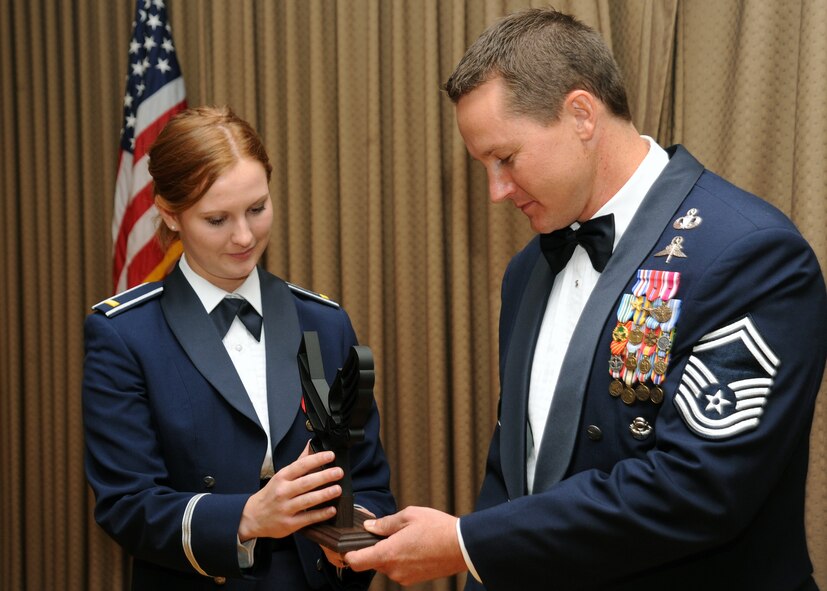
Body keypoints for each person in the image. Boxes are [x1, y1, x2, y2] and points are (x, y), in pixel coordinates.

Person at [346, 8, 827, 590]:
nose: (496, 192)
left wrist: (465, 544)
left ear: (580, 114)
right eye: (484, 167)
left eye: (506, 158)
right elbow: (513, 468)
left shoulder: (750, 255)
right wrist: (479, 564)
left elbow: (698, 490)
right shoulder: (528, 269)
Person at [83, 105, 395, 590]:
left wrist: (349, 539)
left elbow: (370, 479)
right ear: (170, 215)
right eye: (216, 219)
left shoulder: (324, 322)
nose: (245, 237)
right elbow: (127, 504)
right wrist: (247, 517)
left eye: (257, 208)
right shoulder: (125, 334)